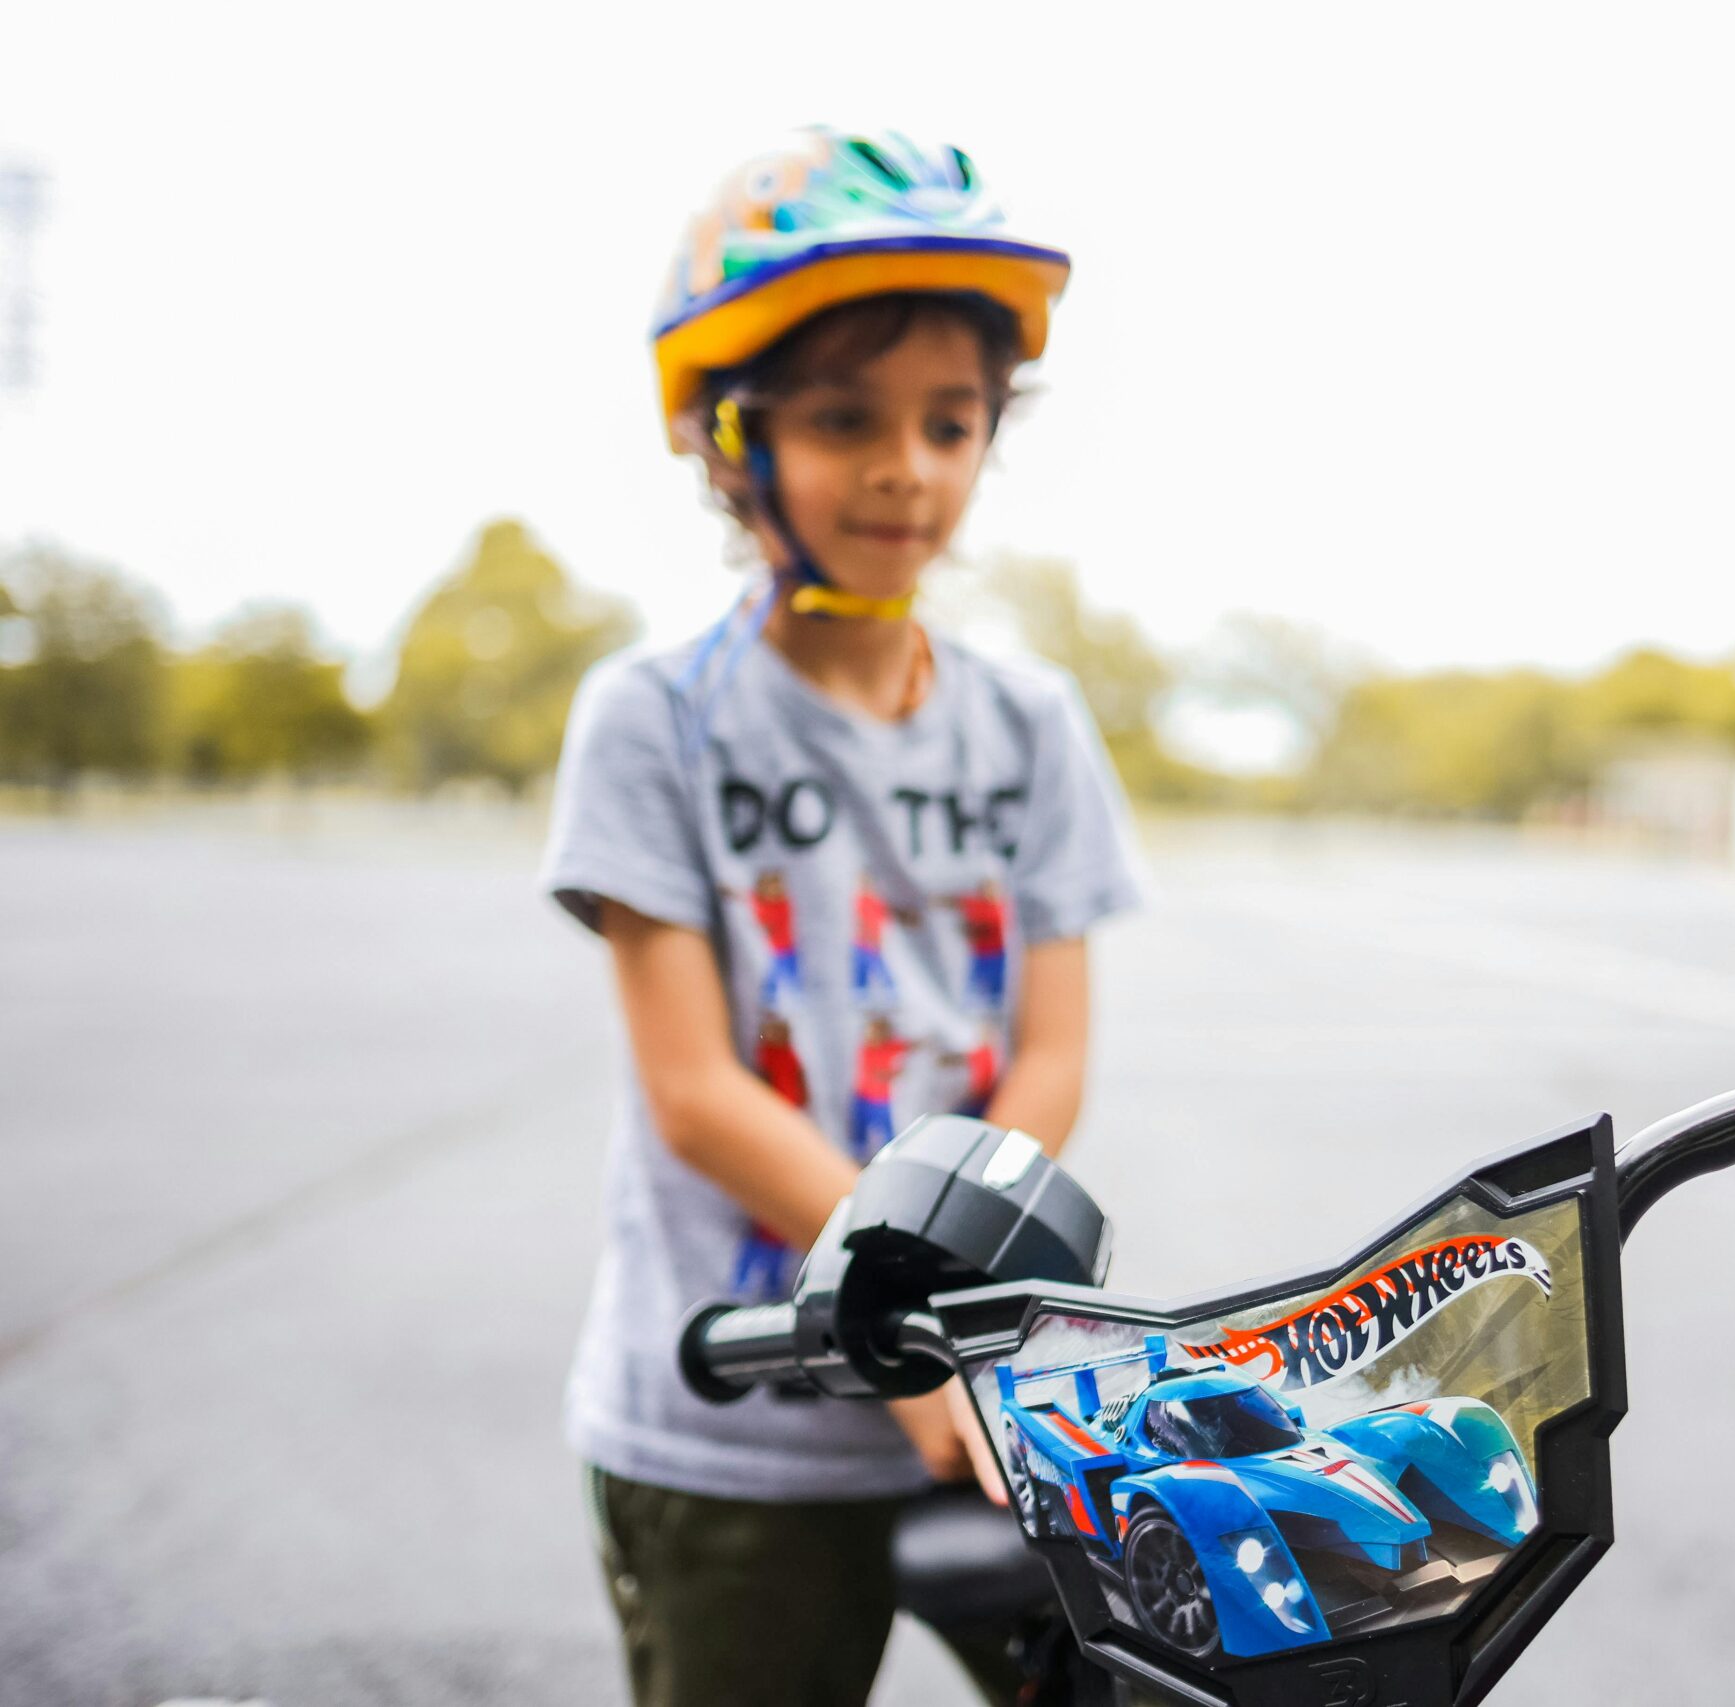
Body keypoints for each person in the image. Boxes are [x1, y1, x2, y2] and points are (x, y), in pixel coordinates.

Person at [539, 126, 1146, 1707]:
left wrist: (946, 1334)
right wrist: (905, 1309)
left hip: (981, 1395)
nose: (908, 467)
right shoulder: (653, 719)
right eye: (843, 418)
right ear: (731, 439)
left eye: (953, 422)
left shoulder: (1030, 724)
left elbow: (1053, 1050)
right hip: (731, 1420)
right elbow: (693, 1087)